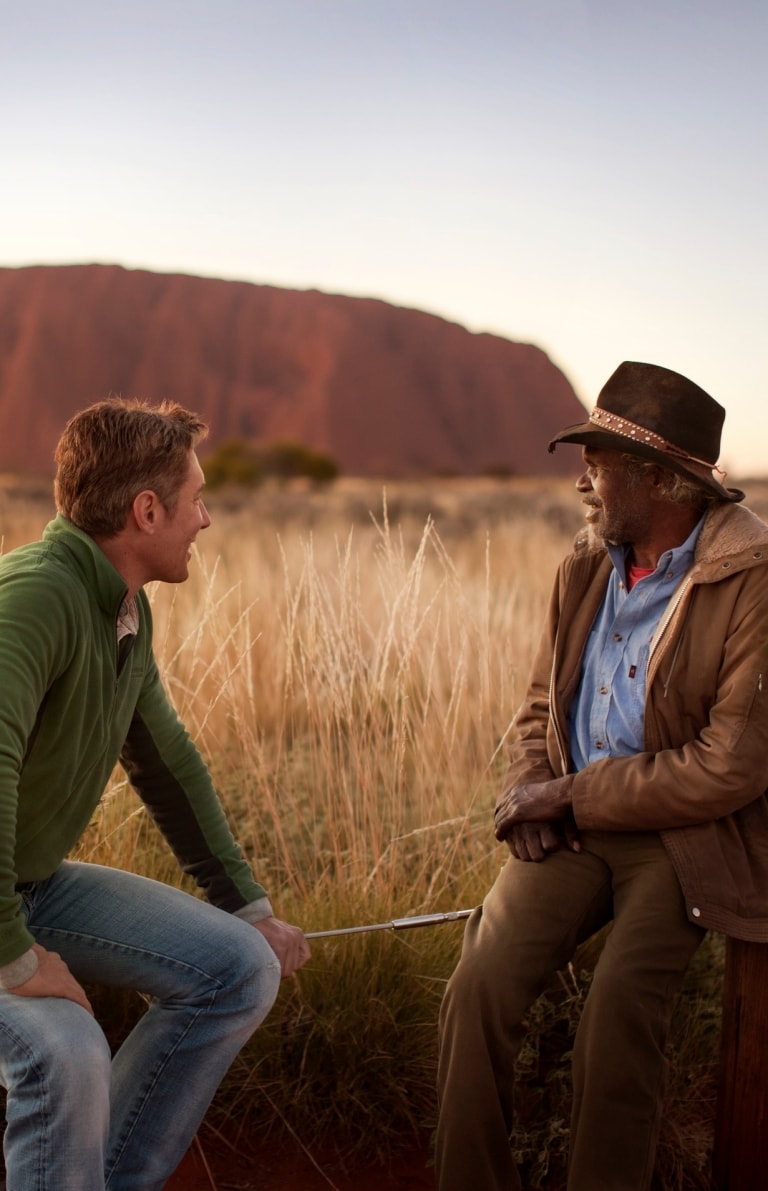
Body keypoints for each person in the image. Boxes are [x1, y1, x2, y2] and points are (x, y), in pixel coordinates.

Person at [436, 361, 768, 1191]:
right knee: (478, 983)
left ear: (662, 479)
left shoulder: (750, 578)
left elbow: (732, 764)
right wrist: (532, 788)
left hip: (681, 839)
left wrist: (573, 791)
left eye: (600, 461)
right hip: (572, 824)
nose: (583, 479)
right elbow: (541, 702)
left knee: (620, 1009)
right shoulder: (584, 565)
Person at [0, 398, 311, 1190]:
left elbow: (167, 764)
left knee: (239, 967)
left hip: (29, 884)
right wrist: (11, 954)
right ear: (146, 510)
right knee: (68, 1053)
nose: (205, 517)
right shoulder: (35, 599)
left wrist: (248, 908)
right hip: (3, 909)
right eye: (196, 497)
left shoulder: (122, 609)